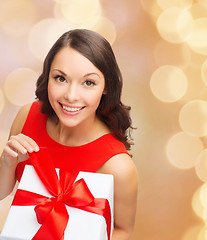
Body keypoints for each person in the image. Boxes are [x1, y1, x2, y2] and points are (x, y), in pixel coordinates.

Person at [0, 29, 138, 239]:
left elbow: (123, 229)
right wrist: (7, 162)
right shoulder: (28, 116)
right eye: (60, 78)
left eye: (88, 83)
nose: (71, 96)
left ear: (106, 87)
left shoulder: (118, 166)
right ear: (48, 77)